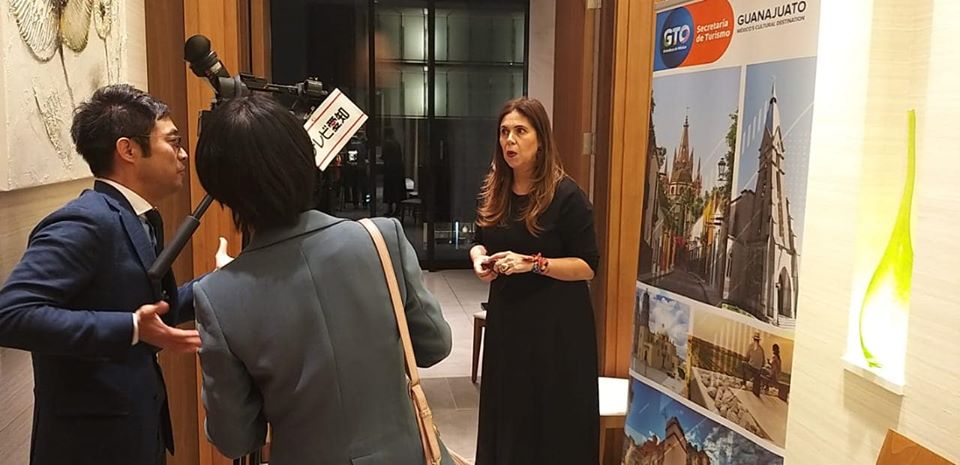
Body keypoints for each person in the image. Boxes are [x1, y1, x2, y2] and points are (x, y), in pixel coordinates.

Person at [192, 94, 455, 464]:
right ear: (306, 160)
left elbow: (235, 439)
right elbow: (435, 345)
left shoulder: (217, 295)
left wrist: (229, 282)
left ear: (222, 191)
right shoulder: (381, 239)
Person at [0, 84, 203, 465]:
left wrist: (226, 280)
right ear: (128, 150)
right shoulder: (85, 221)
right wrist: (130, 327)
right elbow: (11, 315)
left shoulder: (136, 216)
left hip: (135, 432)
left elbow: (153, 312)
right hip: (90, 447)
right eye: (173, 142)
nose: (183, 154)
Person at [470, 97, 600, 465]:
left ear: (540, 140)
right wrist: (479, 259)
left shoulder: (567, 196)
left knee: (550, 424)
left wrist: (534, 264)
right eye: (504, 132)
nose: (509, 140)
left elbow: (588, 266)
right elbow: (479, 240)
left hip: (555, 331)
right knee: (509, 416)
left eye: (520, 131)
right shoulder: (495, 189)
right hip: (508, 323)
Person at [381, 126, 406, 216]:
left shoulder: (387, 144)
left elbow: (384, 156)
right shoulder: (396, 143)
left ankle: (390, 209)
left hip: (390, 170)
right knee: (397, 190)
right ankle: (397, 209)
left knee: (390, 190)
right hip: (398, 169)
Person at [742, 332, 766, 396]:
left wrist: (748, 361)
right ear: (758, 340)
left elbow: (747, 357)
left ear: (753, 339)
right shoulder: (761, 349)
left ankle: (744, 384)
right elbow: (763, 363)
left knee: (743, 364)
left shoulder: (751, 346)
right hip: (758, 370)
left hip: (752, 368)